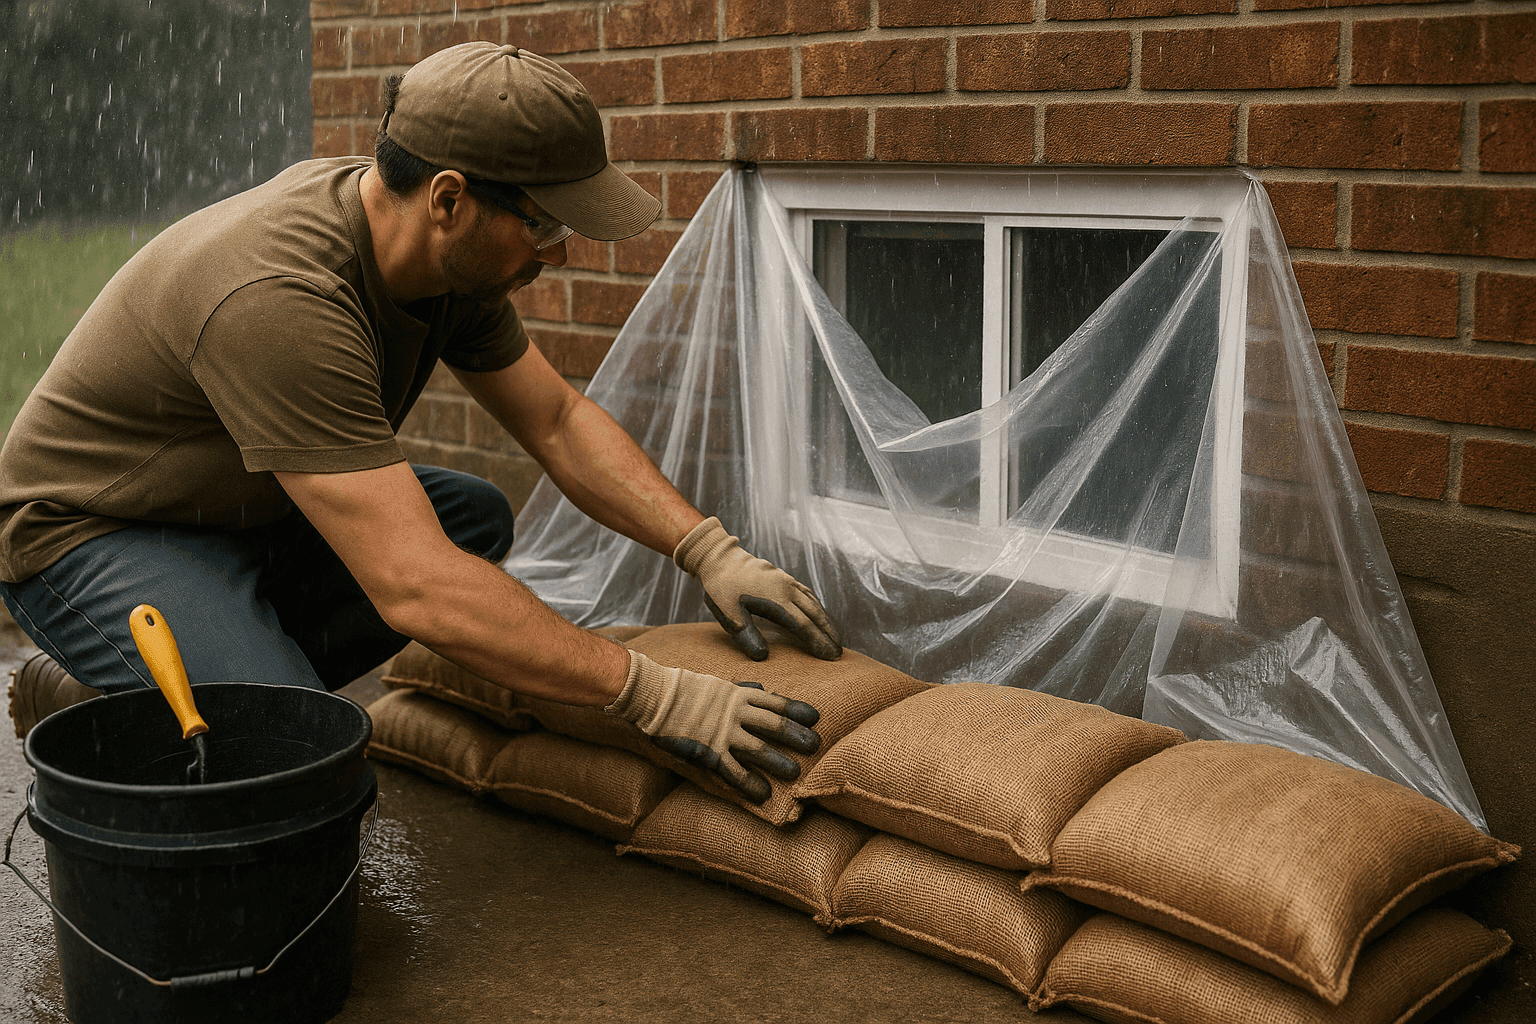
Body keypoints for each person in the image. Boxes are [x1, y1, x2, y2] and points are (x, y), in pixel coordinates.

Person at [0, 42, 842, 803]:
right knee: (300, 758)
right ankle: (147, 687)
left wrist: (708, 550)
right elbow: (416, 587)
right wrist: (657, 695)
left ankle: (143, 680)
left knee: (470, 517)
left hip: (232, 510)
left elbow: (555, 420)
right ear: (449, 199)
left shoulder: (444, 264)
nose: (559, 253)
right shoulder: (281, 299)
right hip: (90, 532)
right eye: (543, 223)